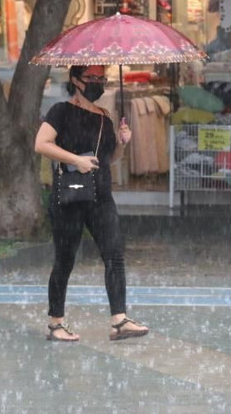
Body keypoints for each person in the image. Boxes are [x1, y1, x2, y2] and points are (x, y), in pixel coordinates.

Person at [34, 64, 149, 342]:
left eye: (102, 78)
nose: (98, 82)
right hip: (70, 196)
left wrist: (122, 141)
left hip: (100, 195)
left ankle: (119, 320)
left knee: (114, 254)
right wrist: (76, 160)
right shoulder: (60, 112)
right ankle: (55, 323)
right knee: (65, 260)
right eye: (91, 78)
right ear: (75, 80)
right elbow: (41, 144)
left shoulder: (104, 117)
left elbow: (110, 159)